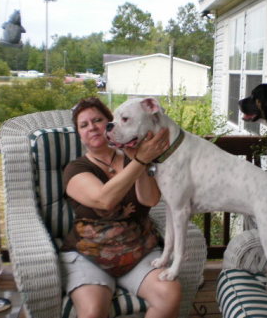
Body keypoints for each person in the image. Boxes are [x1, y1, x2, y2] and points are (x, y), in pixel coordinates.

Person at [59, 97, 182, 318]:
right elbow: (103, 200)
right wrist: (141, 161)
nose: (92, 128)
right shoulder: (75, 168)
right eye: (84, 125)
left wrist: (137, 159)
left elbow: (150, 199)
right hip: (90, 256)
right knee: (93, 311)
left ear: (111, 123)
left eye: (98, 120)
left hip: (139, 253)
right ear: (79, 134)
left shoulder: (134, 158)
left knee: (169, 294)